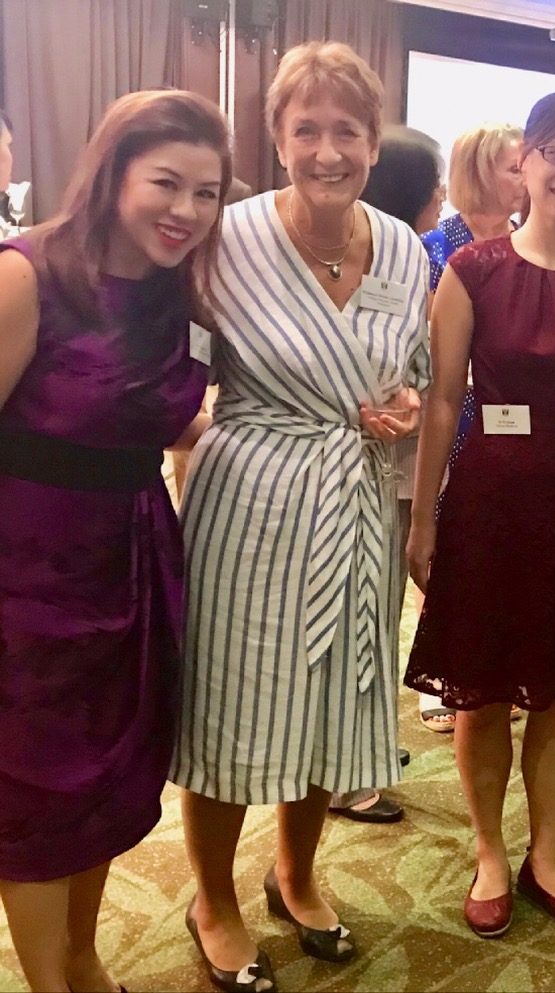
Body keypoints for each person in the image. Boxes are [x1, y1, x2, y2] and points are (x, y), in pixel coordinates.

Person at [171, 41, 428, 992]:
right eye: (306, 129)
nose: (328, 150)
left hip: (355, 499)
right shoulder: (224, 239)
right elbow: (175, 380)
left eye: (347, 131)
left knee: (335, 698)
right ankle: (212, 899)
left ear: (373, 142)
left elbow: (414, 374)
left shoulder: (402, 247)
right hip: (249, 502)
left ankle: (297, 874)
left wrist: (402, 406)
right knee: (232, 703)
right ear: (275, 140)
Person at [404, 89, 555, 939]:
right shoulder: (474, 269)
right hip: (488, 503)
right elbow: (443, 400)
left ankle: (547, 855)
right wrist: (425, 517)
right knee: (479, 692)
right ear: (526, 161)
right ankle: (489, 852)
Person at [0, 89, 229, 993]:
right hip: (26, 571)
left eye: (206, 193)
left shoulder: (180, 293)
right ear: (113, 173)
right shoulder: (31, 273)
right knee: (34, 792)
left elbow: (152, 414)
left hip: (133, 559)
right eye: (165, 183)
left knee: (104, 779)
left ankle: (83, 959)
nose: (186, 210)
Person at [327, 124, 444, 825]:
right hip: (368, 469)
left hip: (392, 466)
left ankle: (359, 754)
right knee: (359, 619)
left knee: (375, 616)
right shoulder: (382, 261)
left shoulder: (402, 257)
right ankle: (346, 777)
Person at [415, 122, 525, 734]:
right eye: (515, 167)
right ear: (482, 171)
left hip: (518, 425)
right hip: (454, 415)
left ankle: (502, 668)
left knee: (507, 553)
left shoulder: (530, 244)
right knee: (450, 549)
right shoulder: (436, 248)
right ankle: (448, 673)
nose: (526, 177)